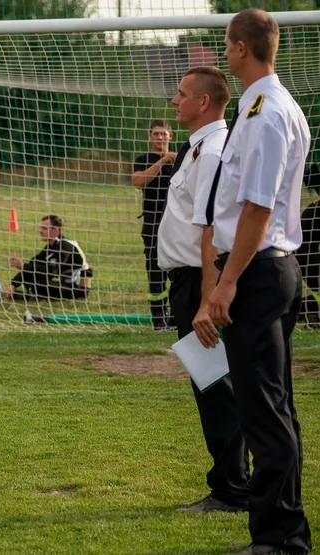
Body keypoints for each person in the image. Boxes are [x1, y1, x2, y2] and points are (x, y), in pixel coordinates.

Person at [206, 9, 312, 554]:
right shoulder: (260, 104)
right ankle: (282, 531)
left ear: (242, 48)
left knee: (264, 410)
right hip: (264, 266)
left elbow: (257, 209)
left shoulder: (268, 110)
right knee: (273, 406)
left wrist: (226, 283)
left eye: (226, 45)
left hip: (259, 268)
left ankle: (281, 538)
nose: (224, 53)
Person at [156, 66, 249, 514]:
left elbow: (211, 227)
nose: (175, 101)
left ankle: (232, 489)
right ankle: (231, 483)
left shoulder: (212, 151)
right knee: (211, 385)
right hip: (189, 281)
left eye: (181, 93)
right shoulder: (196, 149)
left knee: (217, 387)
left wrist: (208, 299)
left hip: (200, 282)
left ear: (204, 102)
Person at [131, 119, 175, 330]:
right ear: (150, 137)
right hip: (153, 224)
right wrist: (162, 161)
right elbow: (138, 181)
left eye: (164, 134)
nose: (160, 138)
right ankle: (159, 320)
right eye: (156, 134)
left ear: (170, 136)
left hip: (177, 225)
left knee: (179, 271)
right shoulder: (143, 159)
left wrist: (171, 159)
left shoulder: (180, 159)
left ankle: (178, 317)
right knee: (155, 271)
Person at [3, 214, 92, 301]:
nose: (40, 231)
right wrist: (13, 284)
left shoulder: (66, 246)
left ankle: (30, 296)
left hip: (78, 289)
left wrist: (23, 266)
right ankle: (25, 294)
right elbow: (33, 264)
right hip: (66, 284)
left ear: (56, 230)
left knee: (36, 283)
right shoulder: (50, 247)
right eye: (41, 228)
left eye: (44, 228)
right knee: (31, 276)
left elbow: (52, 271)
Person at [296, 162, 320, 321]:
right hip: (307, 262)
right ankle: (309, 308)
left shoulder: (313, 209)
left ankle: (309, 308)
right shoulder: (314, 211)